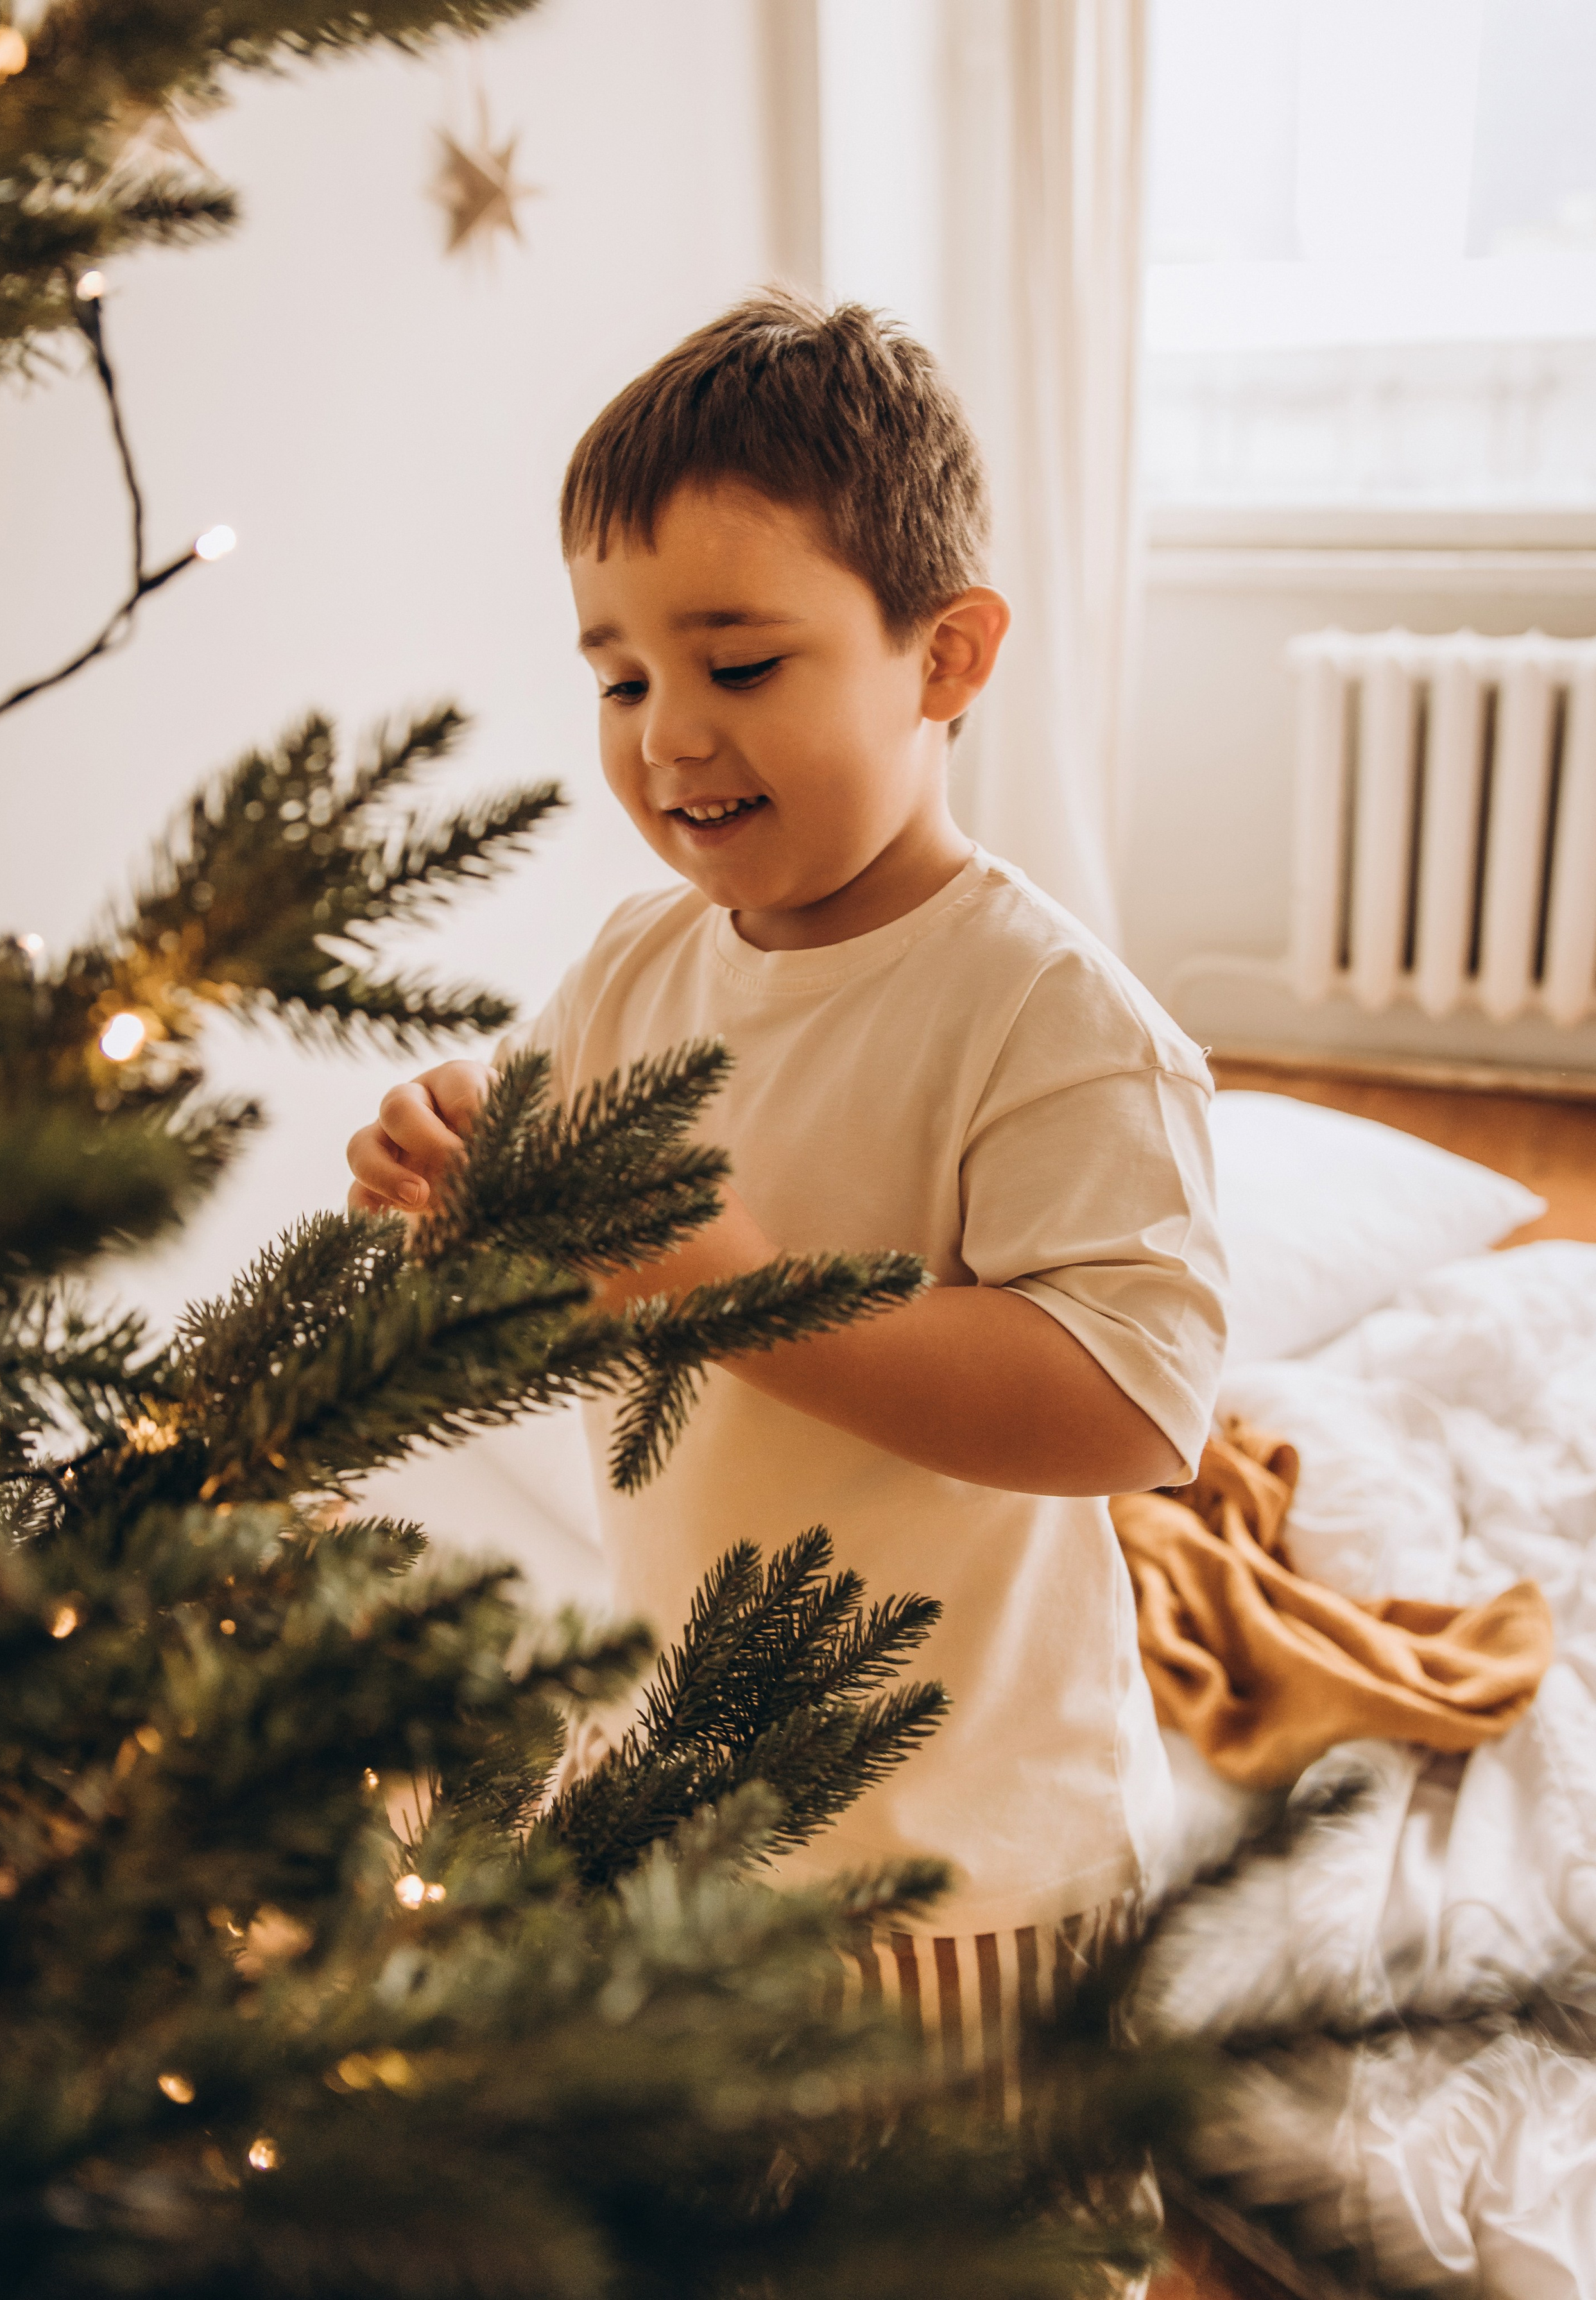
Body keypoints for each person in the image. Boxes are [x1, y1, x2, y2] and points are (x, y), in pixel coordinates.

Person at [347, 290, 1227, 2114]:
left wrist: (739, 1289)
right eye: (620, 681)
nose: (668, 739)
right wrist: (454, 1187)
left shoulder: (1049, 1017)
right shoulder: (633, 964)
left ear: (947, 657)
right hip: (695, 1796)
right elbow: (556, 1258)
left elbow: (1133, 1407)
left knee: (976, 2224)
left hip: (968, 1850)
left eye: (741, 668)